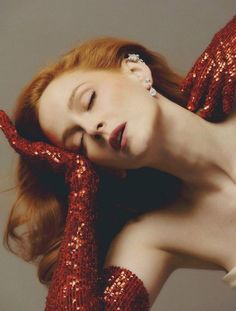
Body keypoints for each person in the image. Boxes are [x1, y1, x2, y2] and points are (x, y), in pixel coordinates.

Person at [0, 14, 235, 310]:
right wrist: (81, 191)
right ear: (102, 167)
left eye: (89, 101)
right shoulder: (154, 236)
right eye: (78, 144)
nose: (92, 128)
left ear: (136, 71)